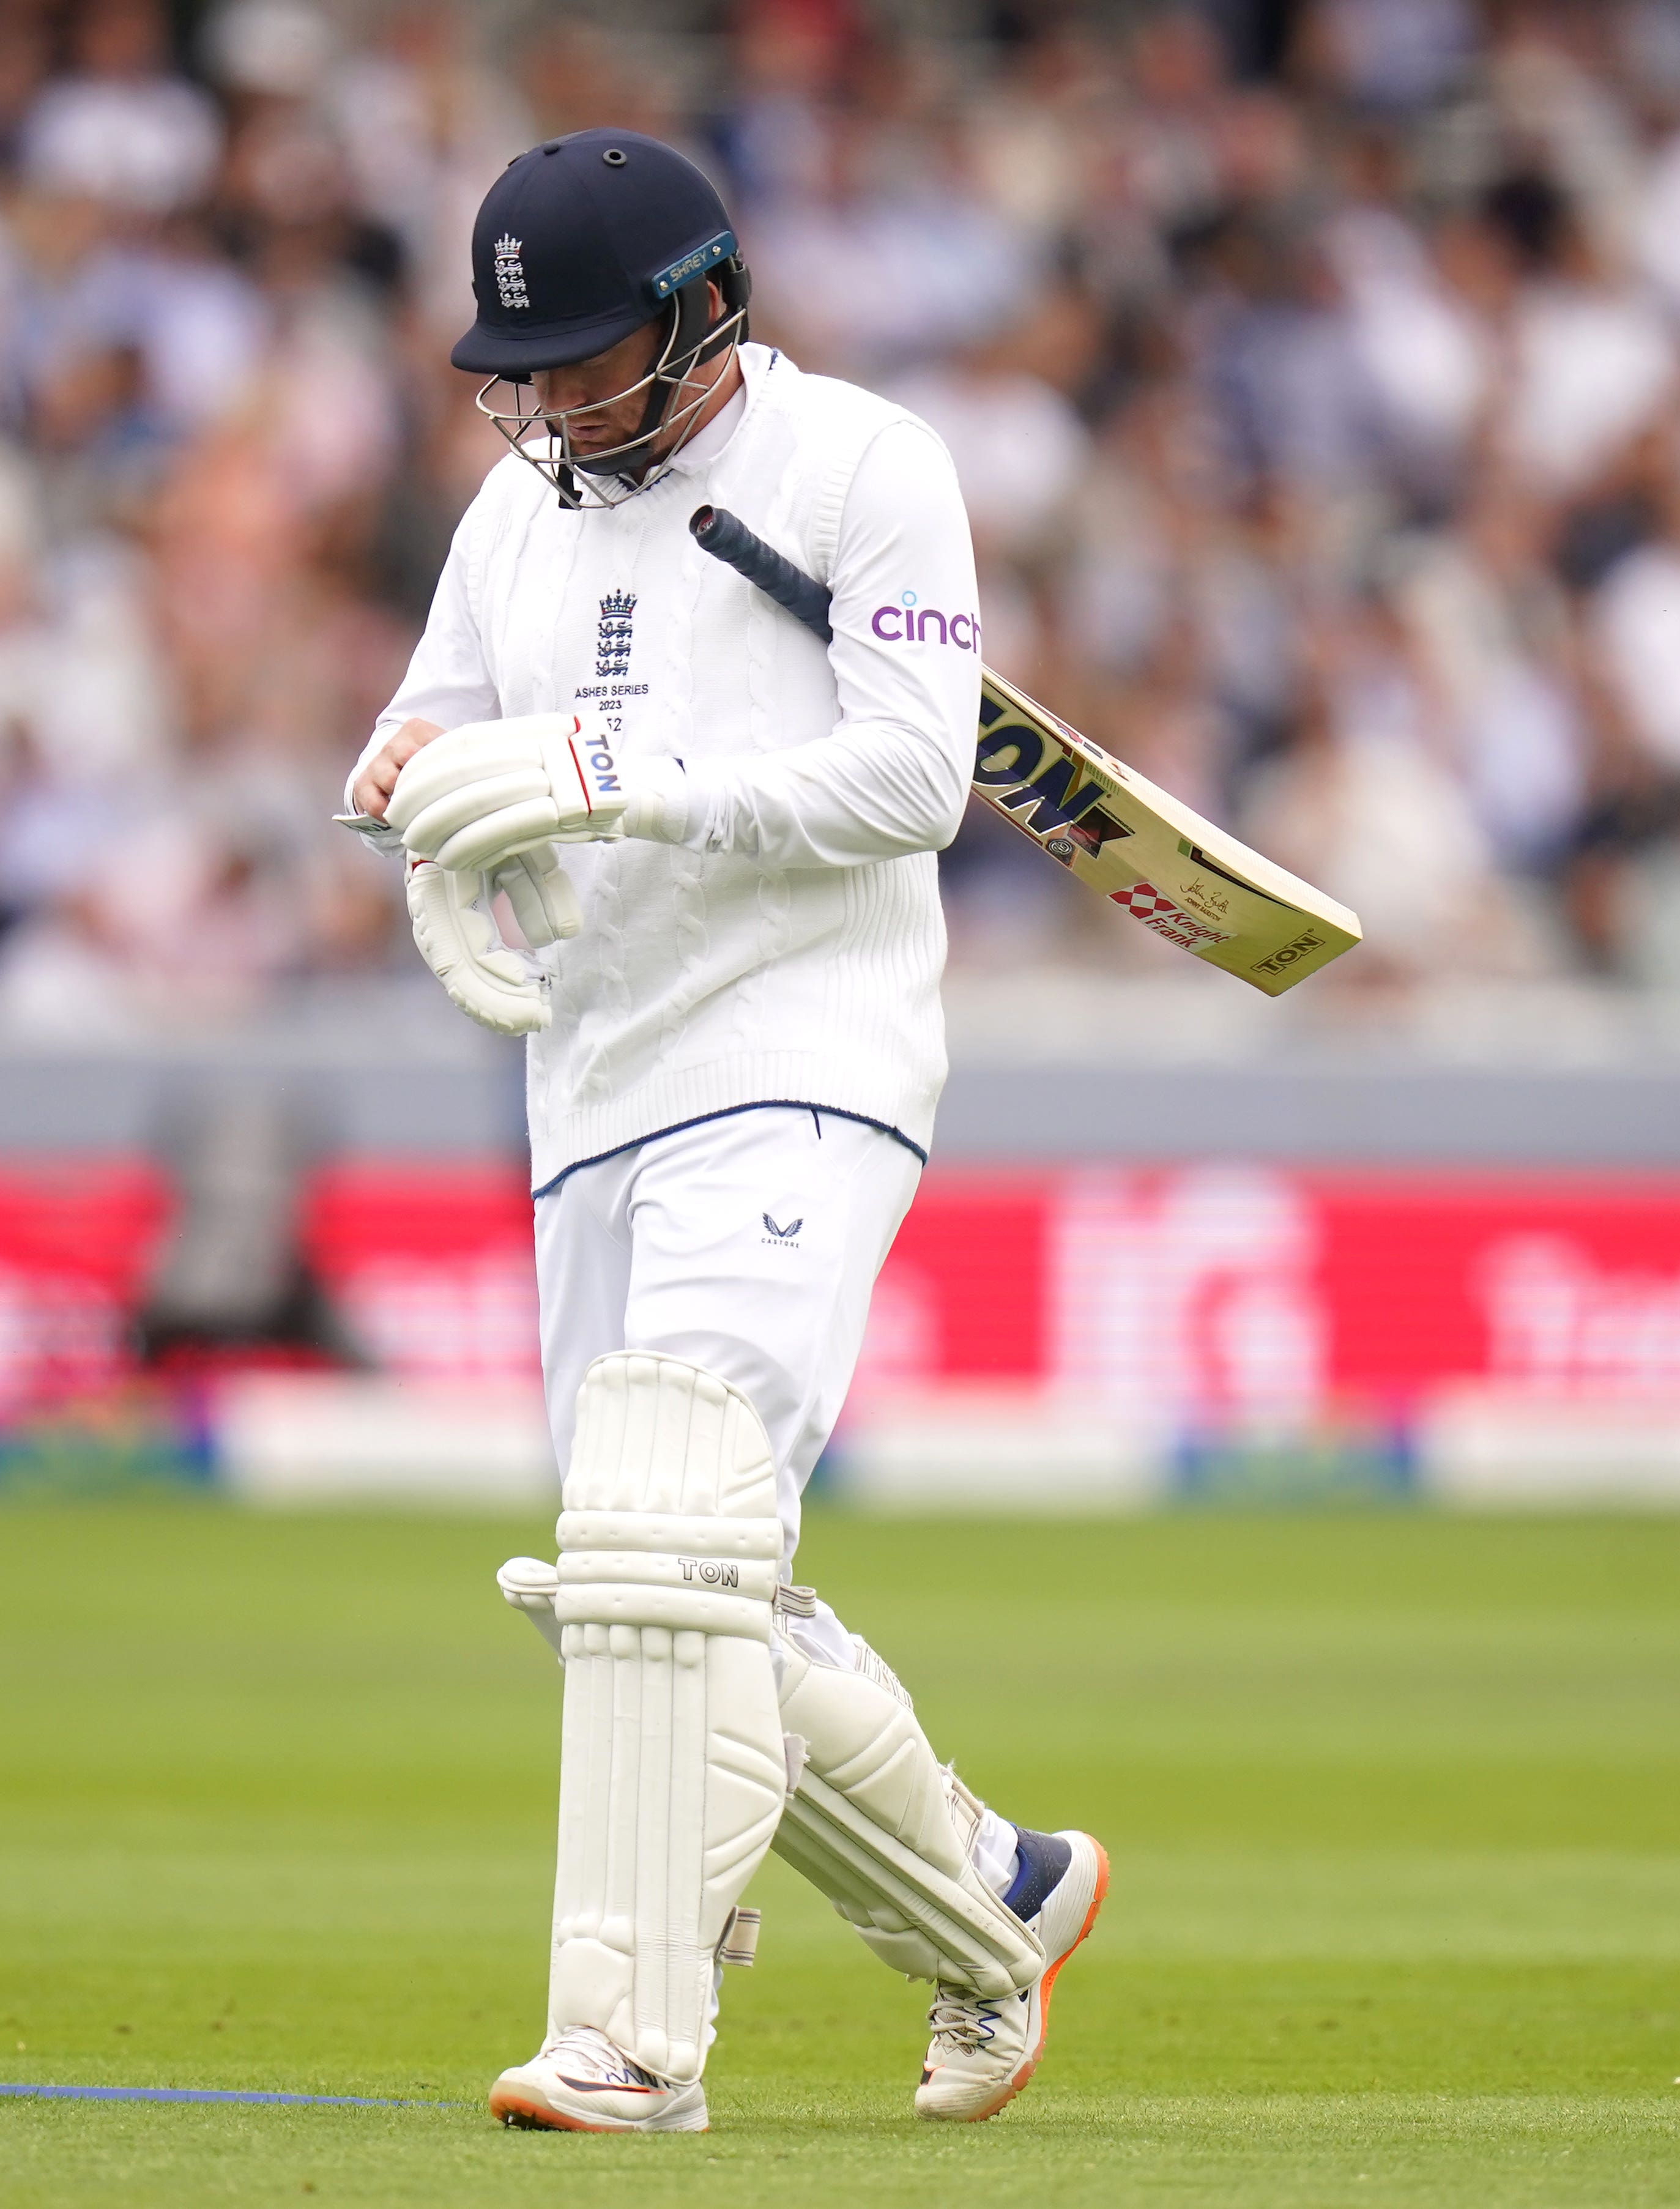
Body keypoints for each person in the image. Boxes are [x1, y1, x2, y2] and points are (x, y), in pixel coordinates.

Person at [341, 128, 1107, 2136]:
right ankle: (995, 1900)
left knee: (665, 1525)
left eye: (582, 361)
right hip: (588, 1078)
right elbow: (433, 727)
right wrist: (408, 777)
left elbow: (910, 778)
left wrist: (612, 768)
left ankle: (625, 2041)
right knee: (672, 1581)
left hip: (807, 1043)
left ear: (700, 315)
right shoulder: (507, 521)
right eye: (512, 368)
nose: (540, 404)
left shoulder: (864, 468)